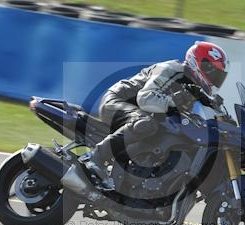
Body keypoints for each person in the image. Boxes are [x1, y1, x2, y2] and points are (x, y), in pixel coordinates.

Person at [81, 41, 229, 189]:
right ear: (201, 65)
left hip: (139, 114)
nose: (214, 79)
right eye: (214, 73)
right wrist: (173, 101)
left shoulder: (193, 88)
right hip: (117, 102)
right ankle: (94, 158)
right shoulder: (172, 70)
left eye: (219, 76)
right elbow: (145, 98)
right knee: (146, 123)